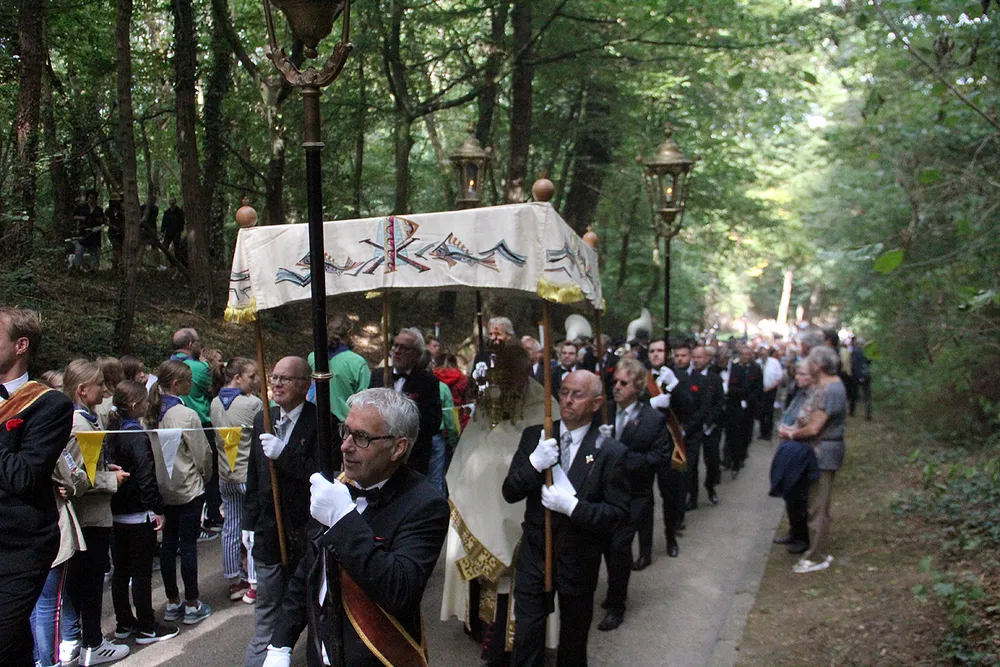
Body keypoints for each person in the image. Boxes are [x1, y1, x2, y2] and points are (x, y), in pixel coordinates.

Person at [263, 388, 450, 667]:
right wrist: (280, 644)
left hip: (376, 657)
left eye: (362, 437)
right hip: (320, 652)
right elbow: (309, 570)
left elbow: (400, 590)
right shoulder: (337, 486)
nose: (345, 446)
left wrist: (342, 519)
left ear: (398, 448)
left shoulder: (425, 503)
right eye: (346, 432)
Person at [502, 371, 629, 667]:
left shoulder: (610, 451)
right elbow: (510, 491)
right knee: (526, 637)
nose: (568, 400)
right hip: (536, 552)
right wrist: (534, 464)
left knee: (573, 642)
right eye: (564, 392)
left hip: (579, 557)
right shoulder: (536, 436)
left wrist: (573, 507)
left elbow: (617, 516)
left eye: (577, 395)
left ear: (596, 403)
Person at [440, 344, 549, 666]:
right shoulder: (490, 397)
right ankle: (481, 626)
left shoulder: (544, 404)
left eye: (509, 370)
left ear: (526, 370)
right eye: (498, 369)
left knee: (510, 576)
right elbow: (471, 443)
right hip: (480, 500)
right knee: (484, 574)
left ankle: (505, 639)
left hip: (517, 506)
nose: (502, 378)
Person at [0, 308, 74, 667]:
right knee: (14, 646)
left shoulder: (50, 405)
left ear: (21, 345)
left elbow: (23, 477)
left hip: (19, 548)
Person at [243, 356, 317, 667]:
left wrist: (285, 454)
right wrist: (248, 522)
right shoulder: (263, 417)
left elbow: (320, 477)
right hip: (268, 532)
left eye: (285, 378)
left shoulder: (321, 422)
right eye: (274, 377)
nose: (276, 384)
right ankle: (261, 659)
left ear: (305, 385)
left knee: (308, 603)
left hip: (305, 531)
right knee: (267, 604)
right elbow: (254, 473)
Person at [60, 359, 132, 666]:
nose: (104, 389)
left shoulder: (86, 419)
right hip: (89, 517)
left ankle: (78, 639)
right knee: (89, 582)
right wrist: (109, 479)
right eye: (99, 384)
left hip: (91, 515)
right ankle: (93, 642)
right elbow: (74, 479)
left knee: (83, 581)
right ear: (82, 389)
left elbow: (87, 466)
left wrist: (104, 467)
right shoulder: (78, 425)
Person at [598, 359, 670, 632]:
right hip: (604, 493)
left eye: (624, 383)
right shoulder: (603, 412)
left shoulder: (652, 419)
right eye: (615, 381)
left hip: (634, 495)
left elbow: (660, 457)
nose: (617, 387)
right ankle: (612, 592)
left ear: (638, 386)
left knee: (619, 548)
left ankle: (617, 605)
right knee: (605, 545)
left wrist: (622, 456)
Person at [105, 381, 179, 645]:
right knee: (141, 572)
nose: (148, 404)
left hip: (116, 512)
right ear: (136, 405)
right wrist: (156, 508)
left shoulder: (112, 432)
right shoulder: (136, 436)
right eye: (146, 401)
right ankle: (147, 625)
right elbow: (146, 475)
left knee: (121, 571)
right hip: (137, 512)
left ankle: (124, 622)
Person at [147, 360, 214, 626]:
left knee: (168, 544)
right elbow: (202, 453)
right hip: (187, 488)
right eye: (188, 381)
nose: (192, 385)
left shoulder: (149, 413)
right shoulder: (185, 415)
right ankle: (192, 602)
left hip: (161, 489)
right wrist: (204, 476)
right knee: (187, 546)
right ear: (176, 384)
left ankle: (173, 601)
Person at [779, 346, 847, 574]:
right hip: (817, 452)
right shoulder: (827, 387)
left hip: (823, 453)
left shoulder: (831, 390)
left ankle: (816, 555)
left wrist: (791, 434)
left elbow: (815, 427)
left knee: (818, 506)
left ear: (818, 366)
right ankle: (814, 548)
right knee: (812, 503)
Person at [210, 357, 263, 605]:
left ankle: (234, 579)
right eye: (252, 376)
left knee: (231, 527)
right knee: (253, 528)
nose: (256, 380)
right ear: (237, 377)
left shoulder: (214, 403)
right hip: (247, 475)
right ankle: (254, 582)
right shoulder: (253, 404)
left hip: (226, 474)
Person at [369, 328, 441, 476]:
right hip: (380, 455)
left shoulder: (427, 381)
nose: (397, 351)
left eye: (404, 348)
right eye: (395, 346)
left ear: (417, 355)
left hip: (413, 458)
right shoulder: (378, 375)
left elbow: (433, 422)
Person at [170, 328, 222, 534]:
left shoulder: (169, 365)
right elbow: (214, 388)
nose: (201, 345)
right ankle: (212, 516)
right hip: (201, 422)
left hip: (173, 422)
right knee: (208, 469)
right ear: (190, 344)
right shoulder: (198, 367)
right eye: (198, 341)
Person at [770, 360, 822, 555]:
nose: (798, 377)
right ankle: (794, 531)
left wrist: (791, 432)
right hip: (791, 444)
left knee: (799, 494)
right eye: (797, 374)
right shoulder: (800, 393)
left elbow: (810, 425)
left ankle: (802, 537)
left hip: (804, 449)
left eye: (802, 374)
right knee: (789, 493)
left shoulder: (817, 395)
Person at [306, 312, 370, 423]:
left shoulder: (313, 357)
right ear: (349, 333)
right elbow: (365, 401)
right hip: (345, 425)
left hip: (315, 421)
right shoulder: (358, 362)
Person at [691, 345, 725, 507]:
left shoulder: (715, 379)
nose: (696, 361)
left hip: (711, 427)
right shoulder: (689, 377)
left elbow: (719, 402)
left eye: (700, 357)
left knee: (712, 461)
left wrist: (709, 422)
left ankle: (710, 486)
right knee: (691, 464)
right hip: (694, 427)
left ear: (707, 359)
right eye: (694, 357)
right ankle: (692, 497)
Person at [724, 344, 764, 478]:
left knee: (746, 432)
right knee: (732, 432)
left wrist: (751, 399)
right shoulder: (734, 367)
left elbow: (758, 387)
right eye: (743, 354)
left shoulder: (756, 369)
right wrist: (739, 394)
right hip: (734, 404)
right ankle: (728, 457)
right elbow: (730, 386)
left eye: (748, 354)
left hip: (749, 406)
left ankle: (741, 456)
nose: (745, 357)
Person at [72, 189, 105, 271]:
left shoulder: (99, 210)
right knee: (79, 250)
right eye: (90, 197)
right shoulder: (81, 207)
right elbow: (74, 216)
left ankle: (93, 269)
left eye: (93, 198)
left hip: (95, 233)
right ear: (87, 198)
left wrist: (99, 221)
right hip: (83, 232)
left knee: (94, 251)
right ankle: (77, 268)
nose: (91, 200)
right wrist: (82, 218)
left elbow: (103, 220)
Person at [757, 345, 784, 440]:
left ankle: (769, 433)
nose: (763, 356)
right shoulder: (757, 363)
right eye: (761, 354)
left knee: (769, 411)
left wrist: (770, 387)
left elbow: (779, 378)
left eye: (764, 354)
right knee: (761, 412)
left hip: (771, 390)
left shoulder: (774, 362)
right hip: (760, 391)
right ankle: (762, 432)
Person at [161, 197, 186, 265]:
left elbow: (182, 222)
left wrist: (179, 231)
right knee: (165, 248)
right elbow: (164, 223)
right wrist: (162, 231)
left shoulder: (179, 212)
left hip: (176, 234)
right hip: (168, 234)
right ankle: (169, 263)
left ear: (175, 202)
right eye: (170, 202)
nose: (171, 203)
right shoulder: (167, 212)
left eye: (173, 202)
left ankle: (178, 264)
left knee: (177, 250)